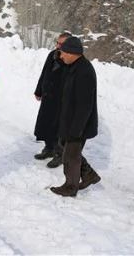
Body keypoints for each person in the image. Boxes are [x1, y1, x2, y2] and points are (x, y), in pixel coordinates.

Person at [50, 36, 101, 197]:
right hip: (69, 120)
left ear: (72, 53)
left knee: (70, 156)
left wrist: (76, 129)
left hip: (78, 124)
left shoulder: (85, 72)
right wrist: (58, 61)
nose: (61, 56)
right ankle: (88, 174)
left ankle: (71, 187)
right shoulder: (74, 66)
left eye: (63, 53)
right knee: (65, 146)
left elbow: (85, 106)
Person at [33, 32, 72, 168]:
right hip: (48, 96)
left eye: (61, 44)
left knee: (58, 127)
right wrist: (39, 90)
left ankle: (59, 153)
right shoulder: (52, 55)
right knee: (46, 124)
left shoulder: (70, 59)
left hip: (60, 100)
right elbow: (45, 73)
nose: (57, 46)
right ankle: (48, 148)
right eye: (57, 43)